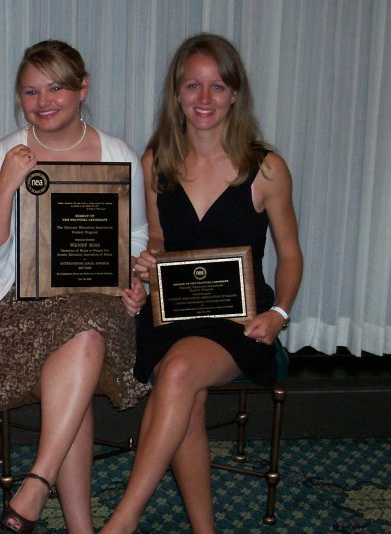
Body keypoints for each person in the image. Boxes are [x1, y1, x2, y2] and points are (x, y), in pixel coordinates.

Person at [100, 34, 304, 533]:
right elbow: (164, 243)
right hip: (173, 315)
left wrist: (280, 314)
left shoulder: (267, 169)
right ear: (177, 93)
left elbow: (291, 254)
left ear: (236, 93)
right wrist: (143, 274)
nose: (205, 99)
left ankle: (123, 519)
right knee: (182, 390)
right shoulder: (157, 164)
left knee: (177, 374)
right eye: (193, 86)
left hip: (241, 321)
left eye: (217, 86)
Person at [0, 40, 151, 534]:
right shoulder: (4, 153)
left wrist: (136, 279)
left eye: (56, 88)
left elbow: (133, 240)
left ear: (82, 89)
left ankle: (37, 481)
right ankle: (78, 527)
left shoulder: (117, 153)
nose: (43, 101)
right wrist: (7, 182)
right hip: (18, 309)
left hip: (96, 302)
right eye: (30, 91)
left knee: (86, 329)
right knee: (79, 354)